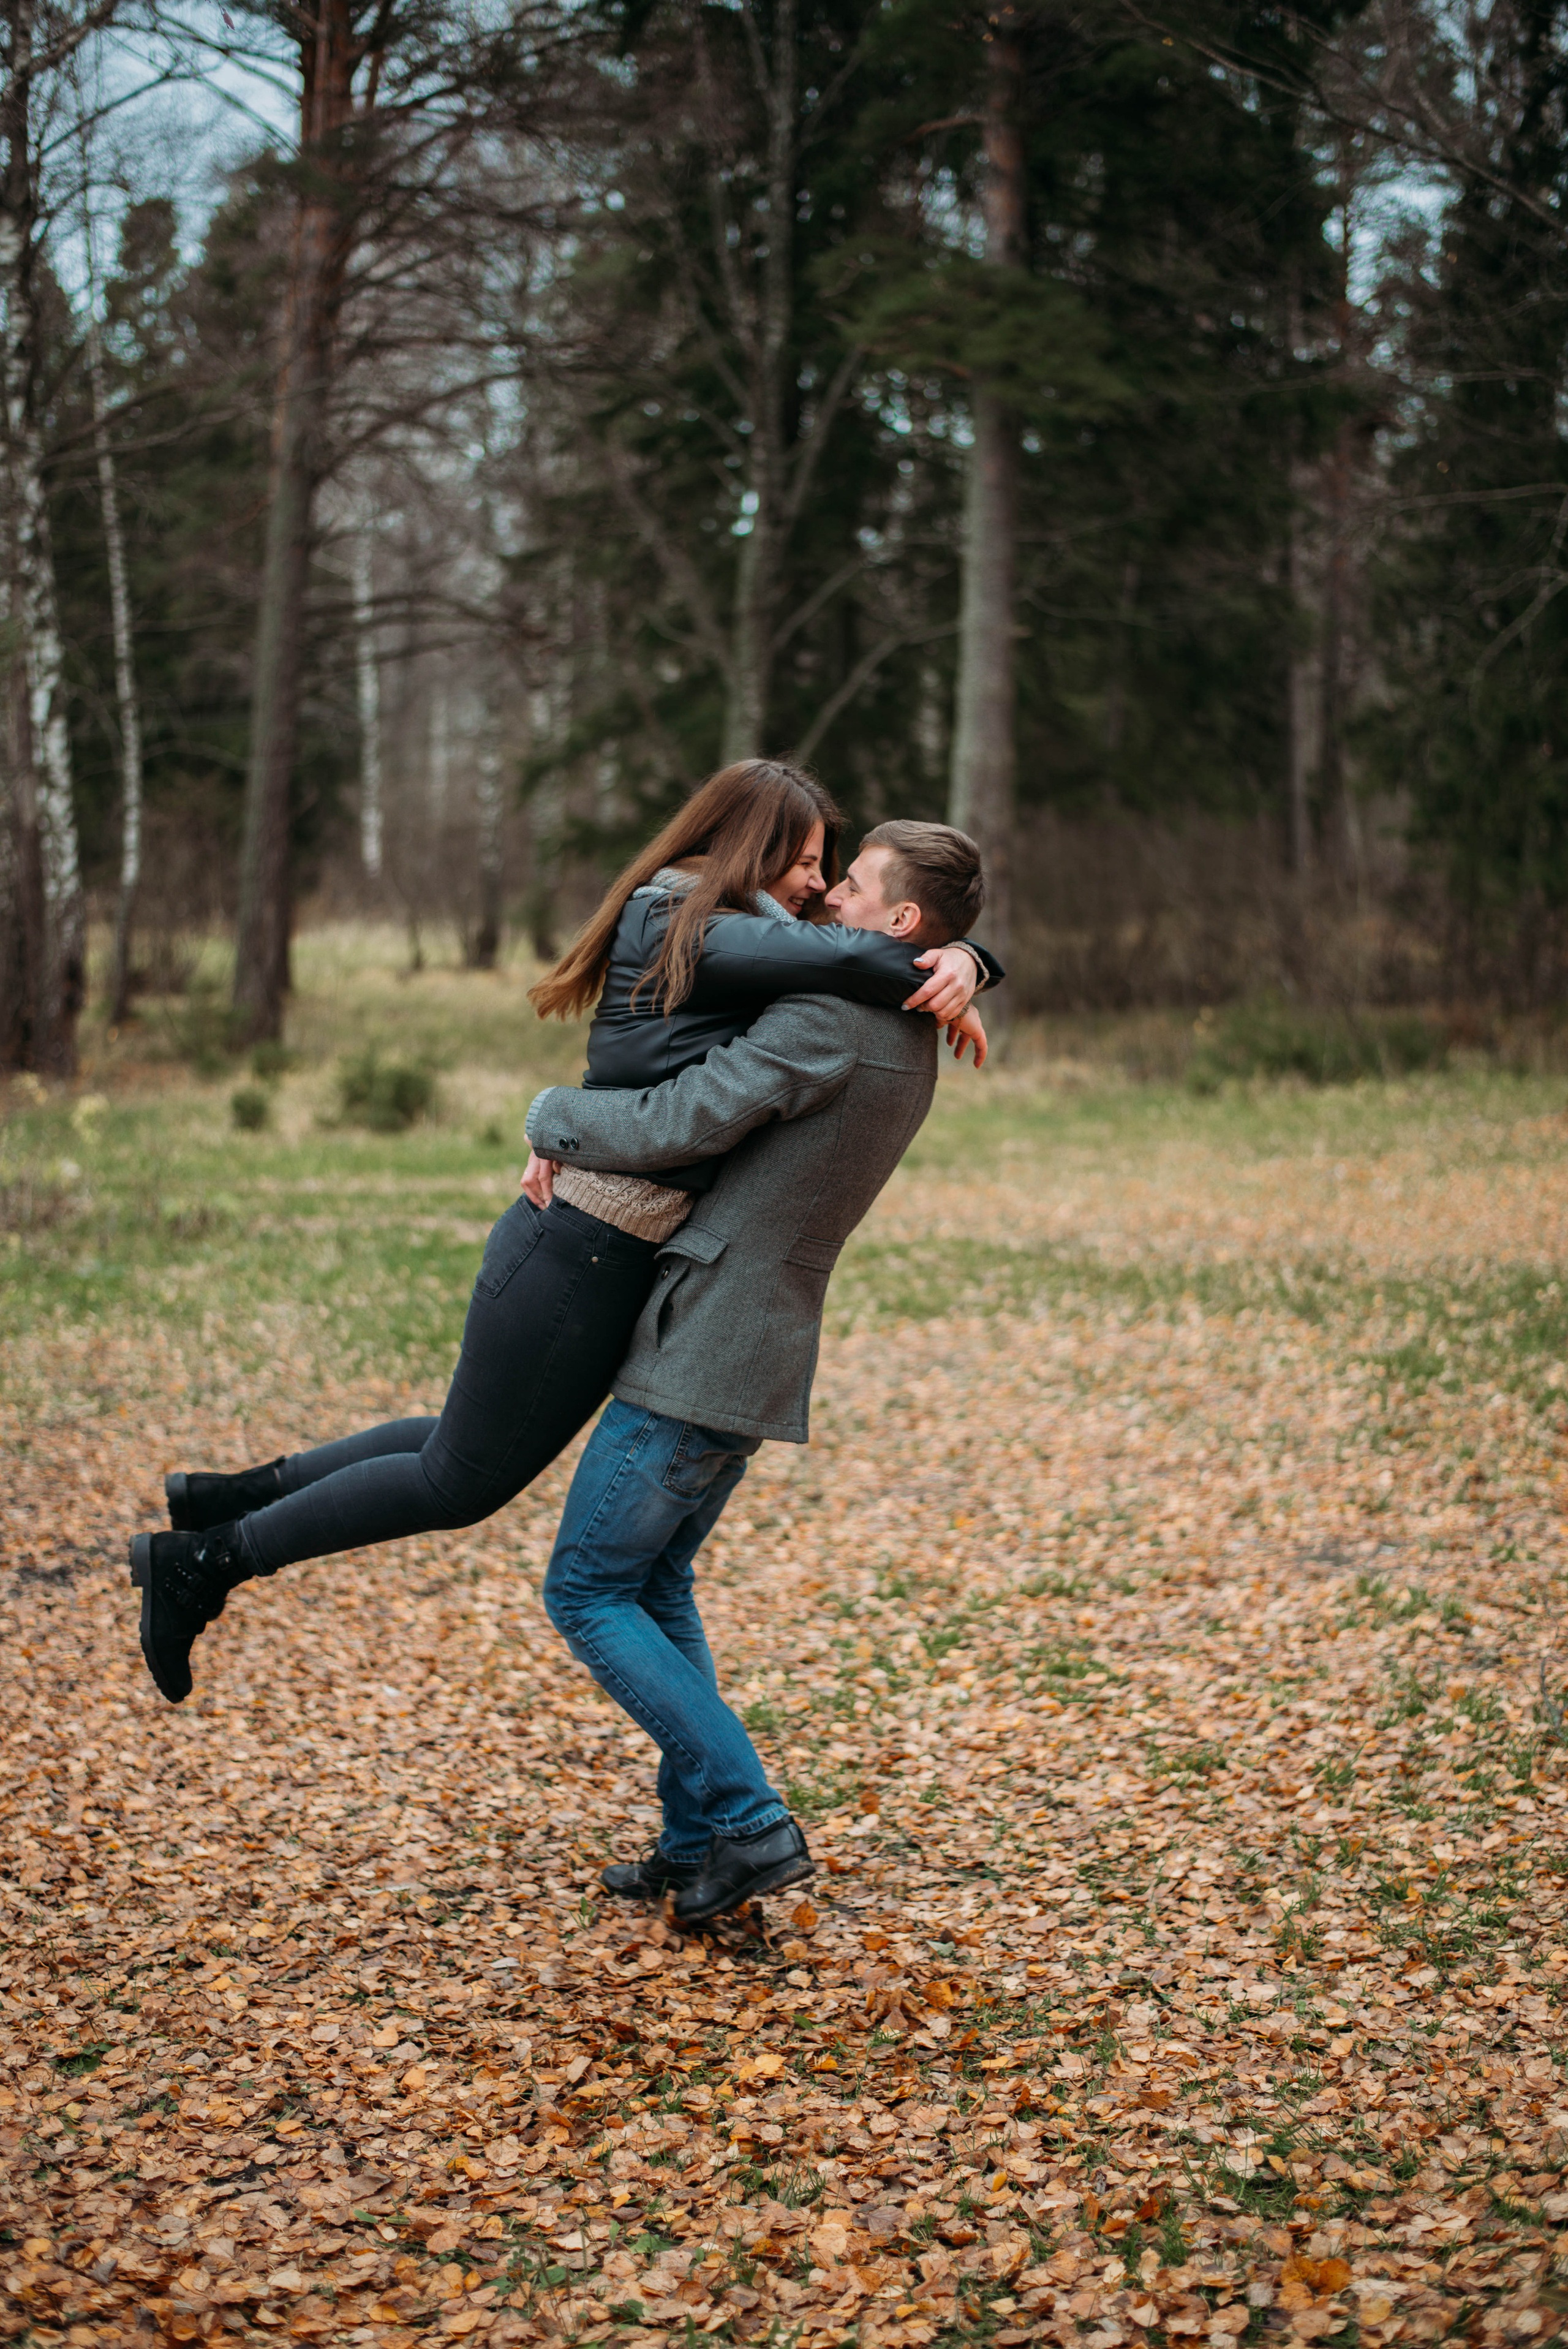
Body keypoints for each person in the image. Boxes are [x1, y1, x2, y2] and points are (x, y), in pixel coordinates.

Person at [128, 766, 997, 1706]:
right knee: (459, 1481)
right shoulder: (685, 917)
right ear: (756, 847)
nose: (820, 888)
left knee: (466, 1443)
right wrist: (960, 962)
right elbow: (863, 959)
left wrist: (968, 956)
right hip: (579, 1243)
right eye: (809, 861)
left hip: (608, 1250)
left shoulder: (746, 935)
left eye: (833, 871)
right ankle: (208, 1561)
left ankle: (230, 1498)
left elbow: (850, 957)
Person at [523, 817, 997, 1926]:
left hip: (709, 1340)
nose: (829, 898)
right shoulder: (900, 1020)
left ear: (902, 920)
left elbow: (683, 1117)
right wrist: (977, 962)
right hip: (753, 1342)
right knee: (655, 1584)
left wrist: (551, 1117)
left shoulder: (834, 1018)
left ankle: (748, 1822)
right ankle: (696, 1843)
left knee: (586, 1587)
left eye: (854, 885)